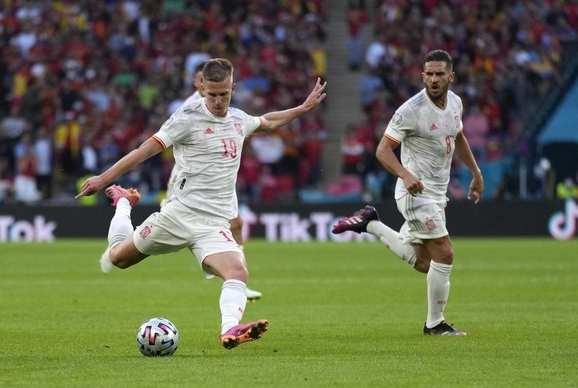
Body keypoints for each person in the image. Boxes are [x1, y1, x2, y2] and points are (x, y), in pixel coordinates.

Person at [76, 58, 327, 349]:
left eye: (224, 94)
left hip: (213, 224)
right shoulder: (185, 118)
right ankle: (123, 203)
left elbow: (268, 121)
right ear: (202, 88)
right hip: (178, 216)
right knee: (118, 258)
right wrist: (104, 178)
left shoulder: (238, 119)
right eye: (212, 95)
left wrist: (303, 108)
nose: (218, 101)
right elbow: (144, 150)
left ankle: (229, 330)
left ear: (232, 88)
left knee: (237, 271)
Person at [332, 50, 483, 336]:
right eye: (429, 74)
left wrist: (477, 173)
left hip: (437, 194)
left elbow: (458, 136)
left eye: (440, 74)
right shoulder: (410, 110)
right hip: (415, 193)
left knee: (427, 262)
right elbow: (382, 150)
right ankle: (435, 325)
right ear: (422, 76)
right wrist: (405, 174)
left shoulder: (456, 104)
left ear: (451, 76)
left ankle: (371, 223)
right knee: (446, 253)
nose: (434, 79)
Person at [161, 62, 263, 302]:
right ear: (199, 84)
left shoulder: (222, 102)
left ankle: (237, 278)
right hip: (195, 179)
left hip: (219, 178)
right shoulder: (190, 109)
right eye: (198, 80)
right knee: (211, 226)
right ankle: (227, 271)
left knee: (236, 223)